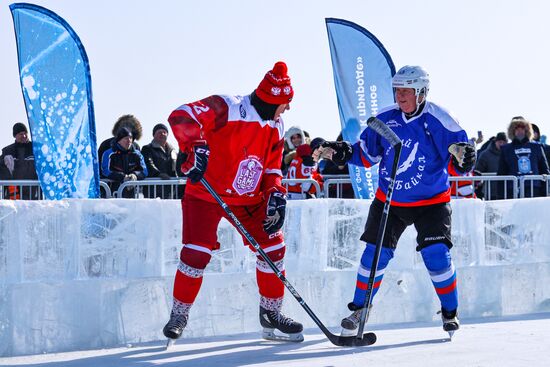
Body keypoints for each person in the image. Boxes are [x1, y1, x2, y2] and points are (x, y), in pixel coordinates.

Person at [321, 65, 475, 336]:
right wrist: (343, 153)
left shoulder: (442, 120)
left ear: (422, 92)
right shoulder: (385, 118)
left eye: (406, 91)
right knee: (375, 254)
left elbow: (457, 164)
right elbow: (366, 155)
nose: (400, 96)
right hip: (390, 200)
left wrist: (464, 160)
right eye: (397, 90)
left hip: (431, 202)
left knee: (436, 255)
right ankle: (359, 309)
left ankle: (450, 311)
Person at [163, 61, 303, 342]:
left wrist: (276, 193)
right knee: (196, 253)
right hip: (206, 193)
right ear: (275, 98)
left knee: (273, 246)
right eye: (286, 102)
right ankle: (179, 313)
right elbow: (181, 115)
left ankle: (271, 313)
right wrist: (194, 147)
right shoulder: (228, 106)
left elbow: (272, 168)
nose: (287, 108)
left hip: (247, 198)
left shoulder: (276, 126)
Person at [497, 117, 549, 198]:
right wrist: (500, 195)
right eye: (517, 128)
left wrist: (545, 191)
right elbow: (501, 173)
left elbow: (544, 170)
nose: (520, 131)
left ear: (527, 130)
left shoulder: (537, 147)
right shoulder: (506, 149)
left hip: (534, 188)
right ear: (512, 131)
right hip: (513, 189)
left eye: (522, 128)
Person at [101, 127, 147, 198]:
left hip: (132, 193)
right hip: (112, 193)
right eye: (126, 138)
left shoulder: (137, 154)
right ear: (119, 140)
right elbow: (105, 170)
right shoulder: (109, 153)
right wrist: (122, 177)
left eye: (130, 138)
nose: (129, 141)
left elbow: (144, 171)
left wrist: (134, 175)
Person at [0, 123, 39, 199]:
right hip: (13, 196)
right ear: (15, 136)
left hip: (33, 195)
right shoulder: (7, 151)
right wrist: (3, 162)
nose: (24, 136)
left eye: (25, 133)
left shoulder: (36, 149)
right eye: (21, 134)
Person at [141, 123, 178, 198]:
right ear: (154, 135)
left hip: (170, 189)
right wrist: (158, 174)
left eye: (164, 132)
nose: (162, 134)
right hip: (153, 190)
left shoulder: (173, 150)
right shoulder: (147, 149)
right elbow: (148, 163)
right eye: (159, 132)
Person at [475, 132, 507, 199]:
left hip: (506, 190)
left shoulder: (509, 153)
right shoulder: (485, 154)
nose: (501, 144)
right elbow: (478, 170)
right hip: (490, 191)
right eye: (499, 142)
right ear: (495, 142)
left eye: (504, 142)